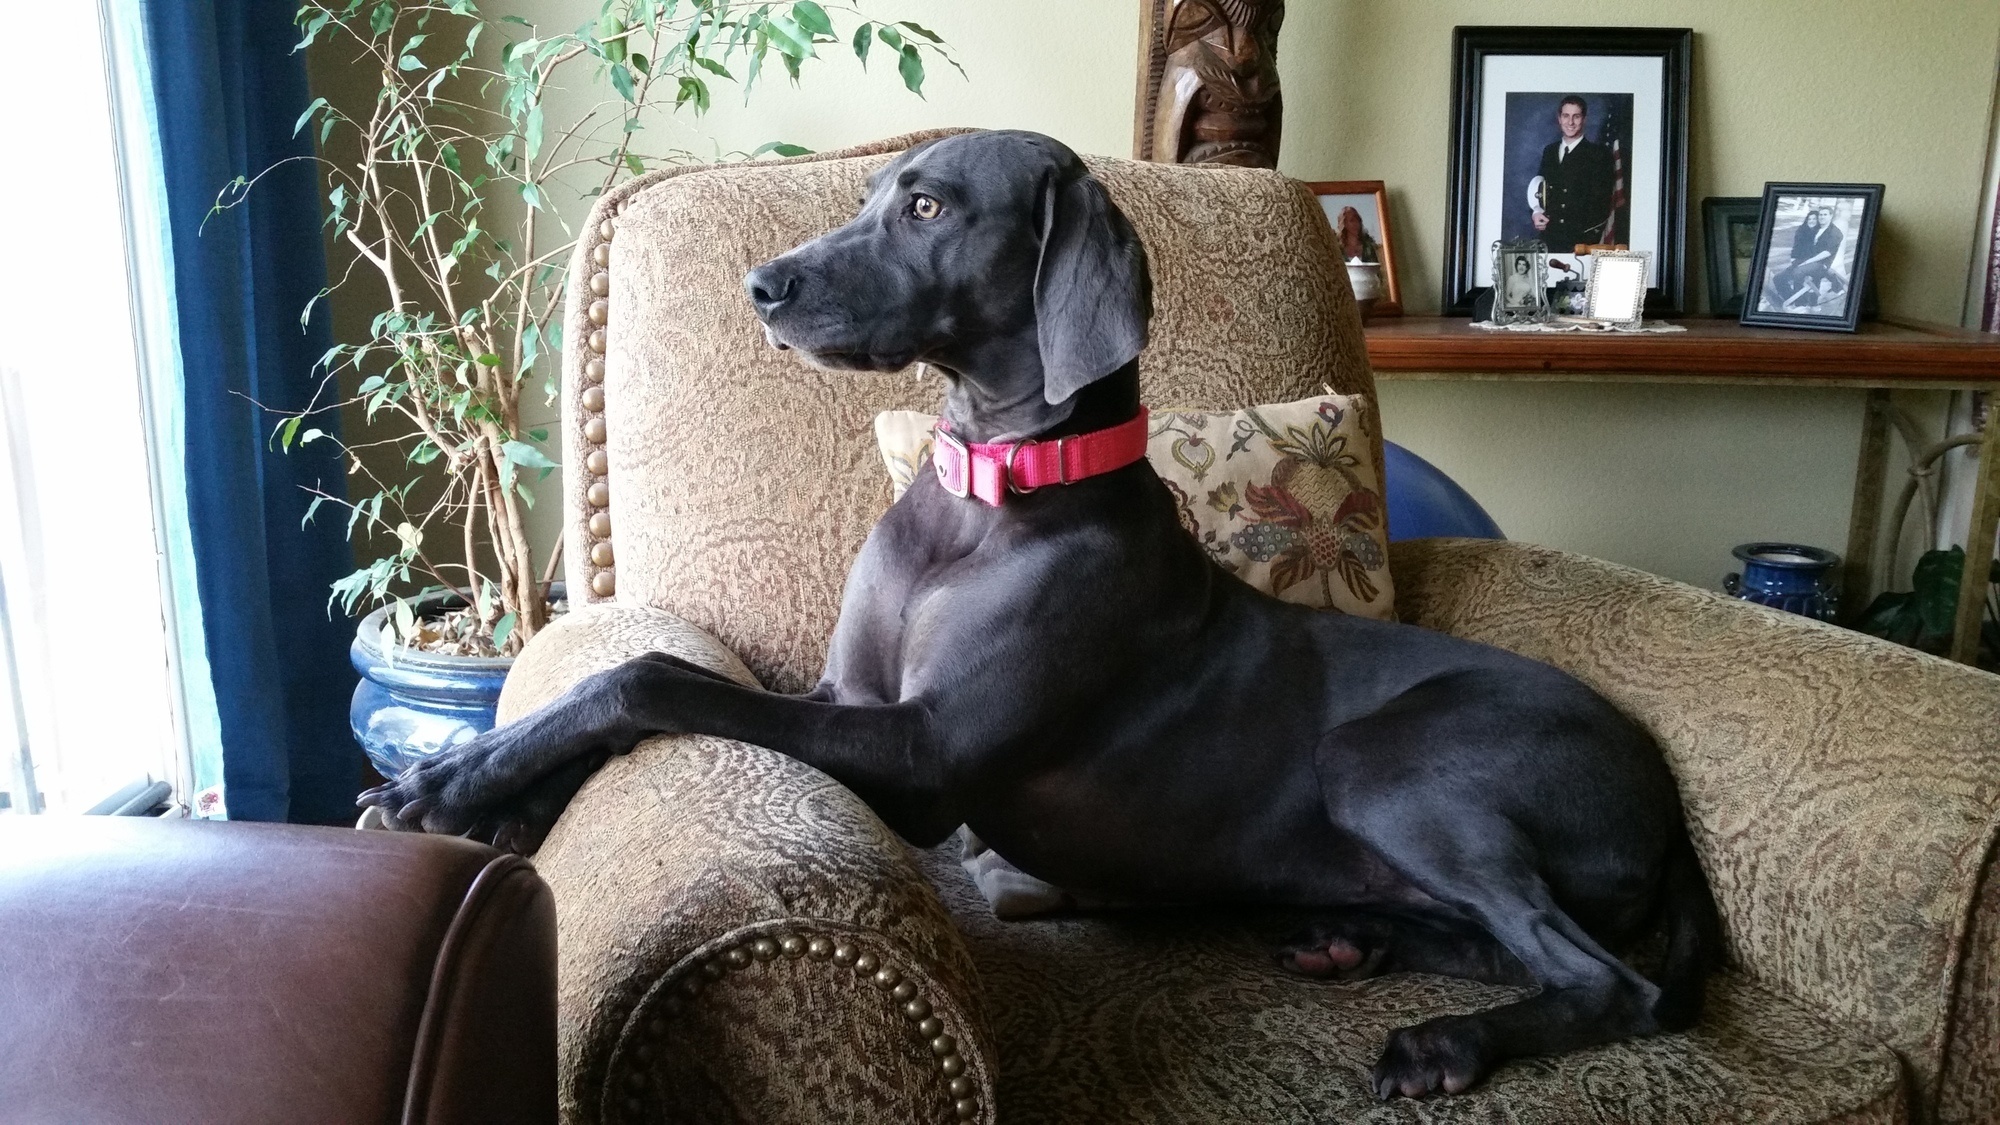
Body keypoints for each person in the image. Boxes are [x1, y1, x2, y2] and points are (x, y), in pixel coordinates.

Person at [1527, 95, 1615, 251]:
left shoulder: (1598, 155)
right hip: (1549, 238)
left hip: (1580, 241)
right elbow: (1539, 187)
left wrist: (1584, 238)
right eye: (1566, 116)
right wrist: (1536, 212)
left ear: (1585, 119)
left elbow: (1601, 204)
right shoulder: (1550, 151)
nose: (1570, 122)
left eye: (1576, 116)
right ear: (1559, 118)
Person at [1773, 206, 1846, 311]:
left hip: (1822, 263)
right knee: (1779, 278)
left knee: (1798, 272)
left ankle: (1801, 303)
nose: (1822, 217)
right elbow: (1802, 244)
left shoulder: (1835, 233)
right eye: (1820, 214)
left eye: (1825, 214)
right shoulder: (1816, 228)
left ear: (1831, 216)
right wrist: (1795, 259)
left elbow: (1827, 253)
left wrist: (1807, 262)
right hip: (1807, 262)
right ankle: (1791, 298)